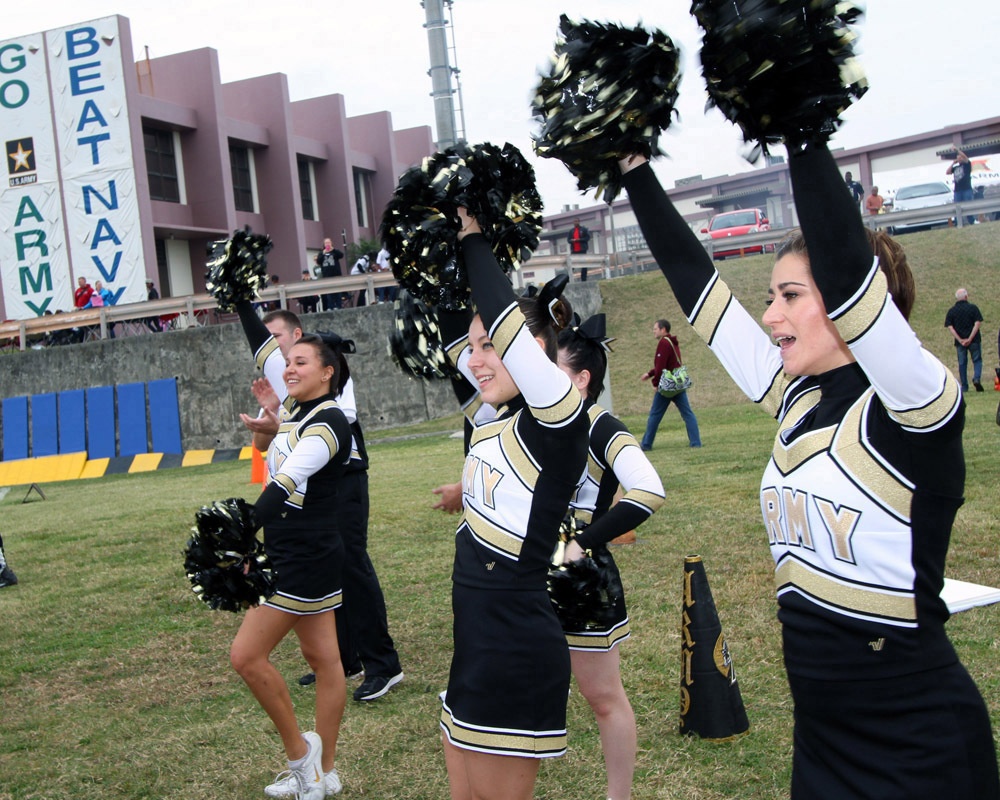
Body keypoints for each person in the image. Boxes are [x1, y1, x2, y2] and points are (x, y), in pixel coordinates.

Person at [617, 137, 999, 798]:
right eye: (772, 297)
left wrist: (797, 122)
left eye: (791, 295)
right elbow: (696, 283)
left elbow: (849, 269)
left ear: (854, 299)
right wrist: (631, 167)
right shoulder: (795, 394)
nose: (769, 315)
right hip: (821, 742)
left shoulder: (916, 405)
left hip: (921, 748)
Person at [439, 208, 589, 800]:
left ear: (528, 351)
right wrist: (445, 249)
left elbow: (505, 322)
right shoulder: (492, 416)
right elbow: (456, 321)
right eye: (472, 347)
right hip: (473, 637)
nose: (474, 359)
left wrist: (475, 236)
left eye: (489, 347)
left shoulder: (556, 421)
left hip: (515, 643)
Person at [235, 303, 404, 702]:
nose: (274, 352)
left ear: (297, 337)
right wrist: (241, 300)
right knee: (328, 572)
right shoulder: (292, 376)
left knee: (350, 564)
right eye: (273, 344)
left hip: (342, 481)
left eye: (277, 338)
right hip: (309, 484)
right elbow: (260, 350)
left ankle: (383, 664)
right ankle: (342, 660)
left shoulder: (324, 367)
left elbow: (325, 430)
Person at [233, 334, 352, 800]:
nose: (289, 368)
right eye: (287, 362)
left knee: (245, 656)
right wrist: (271, 422)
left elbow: (287, 480)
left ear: (327, 372)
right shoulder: (302, 416)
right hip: (302, 550)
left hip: (301, 558)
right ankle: (325, 772)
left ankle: (303, 760)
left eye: (300, 362)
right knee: (324, 660)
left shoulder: (330, 421)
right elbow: (275, 455)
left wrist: (240, 533)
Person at [555, 316, 665, 800]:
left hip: (578, 579)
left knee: (603, 698)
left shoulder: (600, 425)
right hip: (526, 575)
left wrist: (584, 540)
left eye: (553, 369)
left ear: (582, 379)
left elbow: (649, 490)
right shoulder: (537, 421)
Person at [638, 319, 701, 450]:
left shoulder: (663, 343)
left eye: (655, 329)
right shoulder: (672, 342)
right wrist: (649, 373)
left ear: (663, 330)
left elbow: (661, 366)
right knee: (687, 414)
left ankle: (646, 444)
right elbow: (669, 364)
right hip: (677, 385)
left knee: (655, 415)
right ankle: (696, 442)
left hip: (667, 386)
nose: (653, 331)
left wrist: (655, 383)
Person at [945, 287, 984, 392]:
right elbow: (977, 323)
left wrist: (960, 339)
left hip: (960, 342)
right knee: (977, 360)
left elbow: (950, 327)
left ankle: (964, 386)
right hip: (974, 340)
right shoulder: (973, 308)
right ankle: (976, 378)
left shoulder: (952, 311)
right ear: (966, 296)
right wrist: (970, 338)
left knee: (962, 363)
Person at [946, 149, 975, 225]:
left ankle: (971, 220)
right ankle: (958, 222)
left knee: (968, 205)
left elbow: (965, 158)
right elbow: (947, 172)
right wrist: (953, 163)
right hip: (957, 190)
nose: (959, 158)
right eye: (958, 157)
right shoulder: (955, 167)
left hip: (966, 189)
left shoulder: (967, 165)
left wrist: (957, 150)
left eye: (960, 157)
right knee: (957, 206)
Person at [315, 238, 345, 311]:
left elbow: (341, 255)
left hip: (336, 274)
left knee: (337, 290)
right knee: (329, 292)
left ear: (331, 243)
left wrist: (333, 250)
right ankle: (330, 306)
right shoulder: (321, 253)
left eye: (328, 243)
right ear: (324, 245)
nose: (327, 244)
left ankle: (338, 305)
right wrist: (323, 253)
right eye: (326, 243)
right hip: (327, 275)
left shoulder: (335, 252)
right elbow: (318, 261)